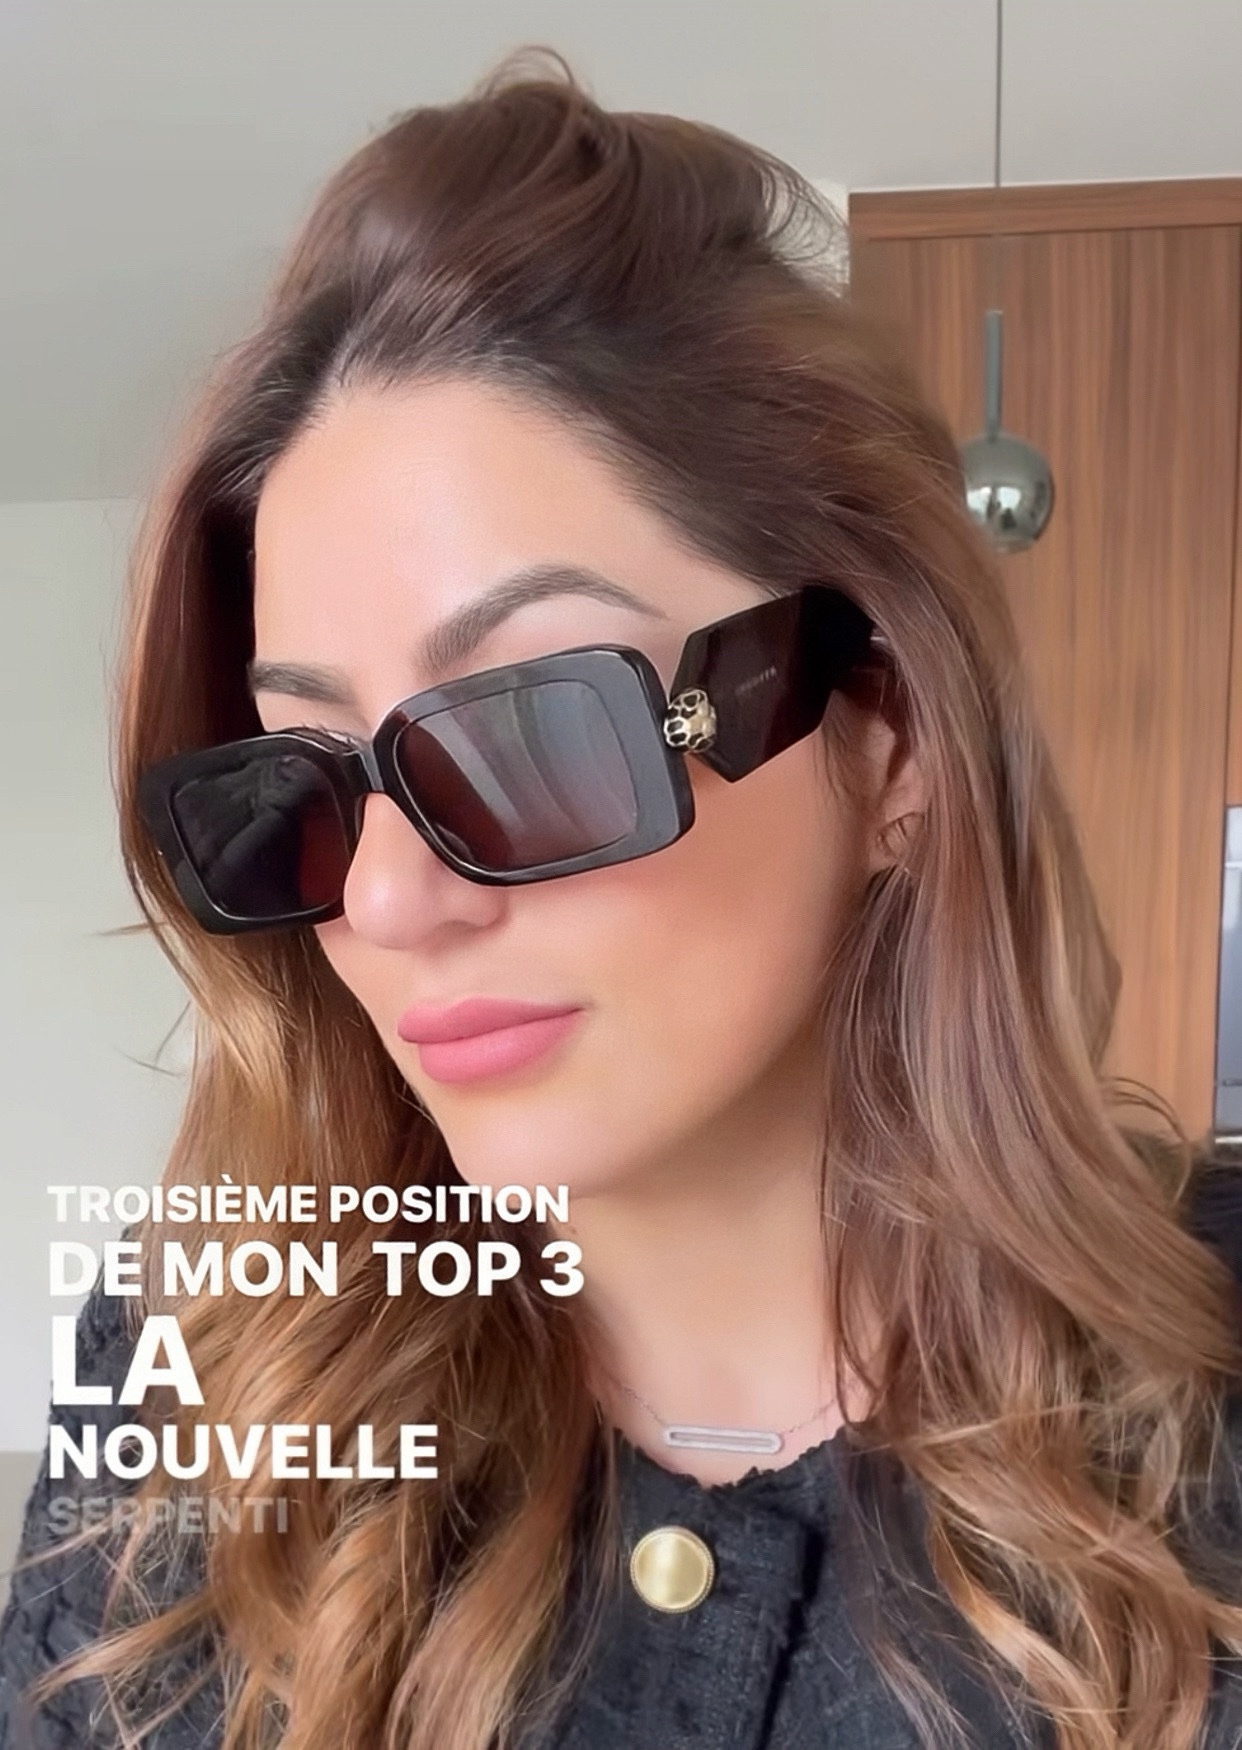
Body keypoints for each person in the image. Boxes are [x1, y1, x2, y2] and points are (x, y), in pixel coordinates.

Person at [5, 46, 1242, 1750]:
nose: (386, 899)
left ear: (886, 735)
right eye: (308, 780)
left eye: (532, 726)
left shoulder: (1208, 1393)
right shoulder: (196, 1386)